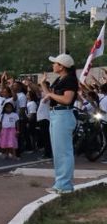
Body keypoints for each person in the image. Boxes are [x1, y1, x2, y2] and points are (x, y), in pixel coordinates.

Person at [40, 53, 79, 193]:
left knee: (63, 152)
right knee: (58, 151)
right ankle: (60, 183)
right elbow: (49, 97)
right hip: (57, 114)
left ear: (62, 66)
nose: (53, 65)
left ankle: (64, 185)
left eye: (55, 63)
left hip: (63, 114)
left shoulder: (70, 80)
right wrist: (43, 85)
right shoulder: (60, 79)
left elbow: (67, 100)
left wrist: (50, 94)